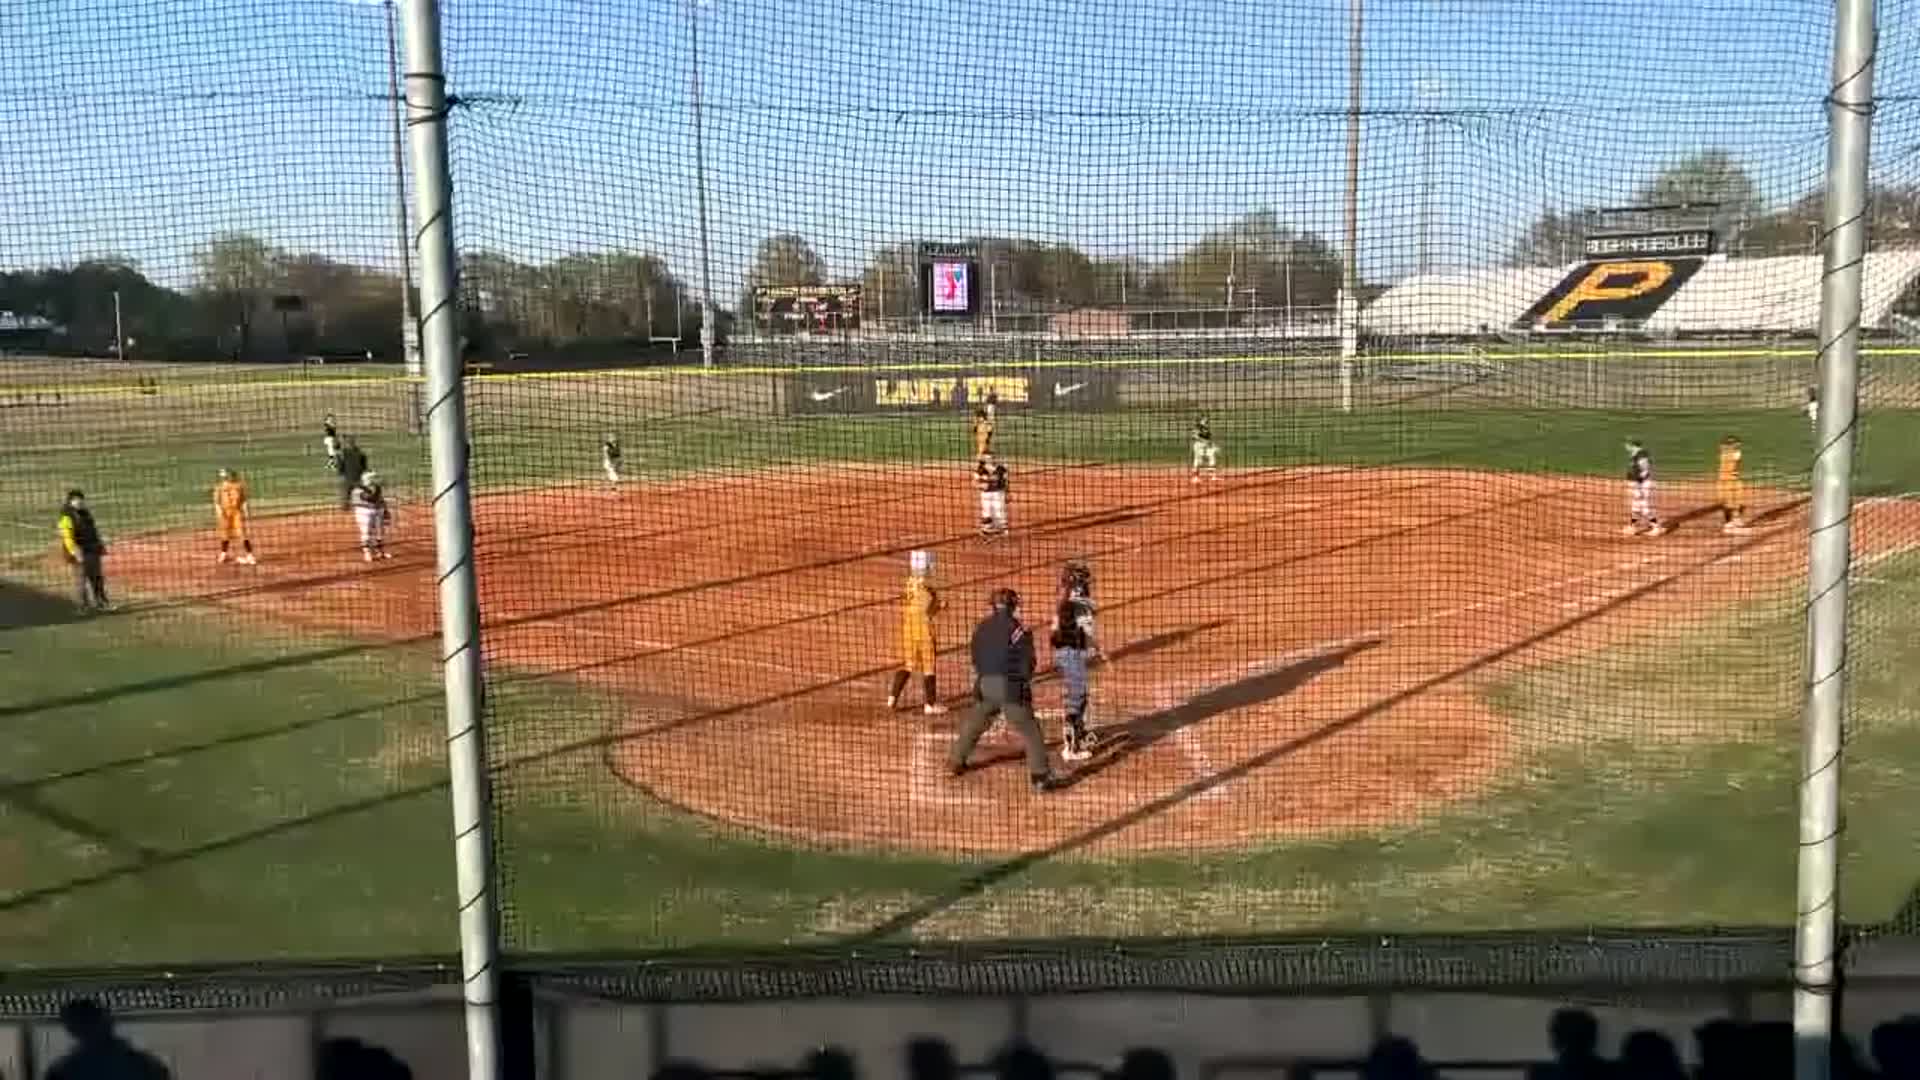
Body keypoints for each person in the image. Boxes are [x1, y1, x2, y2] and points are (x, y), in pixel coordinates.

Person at [949, 588, 1062, 791]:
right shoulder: (1016, 628)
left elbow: (975, 657)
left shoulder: (980, 628)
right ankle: (1040, 777)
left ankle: (956, 761)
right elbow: (1028, 661)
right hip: (1009, 686)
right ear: (1011, 606)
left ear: (993, 606)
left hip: (985, 684)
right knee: (1030, 730)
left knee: (975, 722)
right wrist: (1022, 681)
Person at [1051, 560, 1104, 761]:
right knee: (1077, 698)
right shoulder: (1079, 602)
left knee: (1078, 696)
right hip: (1072, 652)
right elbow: (1084, 628)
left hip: (1067, 651)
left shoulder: (1066, 596)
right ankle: (1071, 748)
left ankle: (1078, 735)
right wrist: (1096, 649)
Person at [887, 549, 948, 715]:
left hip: (908, 628)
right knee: (929, 667)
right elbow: (929, 611)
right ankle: (930, 705)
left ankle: (892, 698)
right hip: (924, 630)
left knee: (909, 665)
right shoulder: (927, 585)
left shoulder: (910, 582)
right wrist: (941, 605)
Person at [56, 489, 112, 614]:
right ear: (70, 501)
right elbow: (67, 537)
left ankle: (101, 603)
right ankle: (83, 607)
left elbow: (93, 530)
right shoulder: (66, 516)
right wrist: (75, 552)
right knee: (81, 580)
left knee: (97, 578)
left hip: (92, 549)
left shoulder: (85, 513)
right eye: (76, 500)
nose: (80, 502)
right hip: (79, 552)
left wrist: (100, 544)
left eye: (81, 499)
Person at [212, 467, 258, 564]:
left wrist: (246, 510)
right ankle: (224, 554)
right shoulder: (219, 487)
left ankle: (250, 555)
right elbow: (217, 502)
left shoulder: (239, 486)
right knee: (225, 534)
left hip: (236, 513)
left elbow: (243, 500)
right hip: (225, 513)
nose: (224, 478)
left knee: (242, 534)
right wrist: (219, 512)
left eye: (225, 476)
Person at [1621, 438, 1665, 537]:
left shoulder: (1641, 455)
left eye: (1627, 444)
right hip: (1639, 484)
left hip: (1644, 484)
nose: (1626, 446)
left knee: (1645, 506)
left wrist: (1639, 487)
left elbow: (1645, 470)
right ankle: (1632, 527)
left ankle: (1657, 528)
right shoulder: (1635, 455)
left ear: (1632, 445)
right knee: (1635, 506)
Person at [350, 470, 394, 561]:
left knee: (380, 532)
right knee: (366, 532)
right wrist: (376, 490)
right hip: (363, 512)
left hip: (378, 510)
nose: (376, 480)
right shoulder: (358, 489)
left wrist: (385, 510)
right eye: (374, 478)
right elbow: (370, 498)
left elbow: (381, 499)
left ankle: (380, 551)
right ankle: (367, 552)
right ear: (368, 479)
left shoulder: (376, 487)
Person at [1717, 435, 1751, 534]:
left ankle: (1736, 520)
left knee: (1739, 502)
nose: (1737, 446)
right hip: (1725, 481)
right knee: (1729, 503)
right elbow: (1734, 456)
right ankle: (1728, 524)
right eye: (1734, 444)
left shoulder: (1727, 453)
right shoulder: (1733, 454)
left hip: (1734, 480)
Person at [975, 453, 1010, 540]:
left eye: (992, 458)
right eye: (988, 458)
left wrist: (1008, 493)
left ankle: (1002, 529)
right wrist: (981, 486)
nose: (991, 460)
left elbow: (1006, 481)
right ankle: (986, 529)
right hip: (986, 494)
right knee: (987, 511)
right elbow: (975, 482)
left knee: (999, 511)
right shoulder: (980, 470)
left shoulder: (1001, 469)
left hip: (998, 493)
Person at [337, 436, 368, 511]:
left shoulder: (344, 453)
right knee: (359, 493)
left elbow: (340, 464)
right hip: (357, 477)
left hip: (348, 477)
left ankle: (345, 507)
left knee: (345, 495)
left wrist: (341, 472)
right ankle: (357, 505)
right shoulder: (361, 453)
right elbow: (364, 467)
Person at [1190, 414, 1219, 482]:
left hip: (1207, 446)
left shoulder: (1207, 428)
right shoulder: (1198, 427)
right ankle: (1195, 477)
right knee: (1198, 461)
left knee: (1212, 457)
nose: (1207, 420)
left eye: (1207, 419)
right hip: (1198, 446)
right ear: (1201, 420)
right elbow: (1194, 436)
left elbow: (1209, 438)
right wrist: (1204, 441)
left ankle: (1213, 476)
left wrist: (1213, 445)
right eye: (1205, 419)